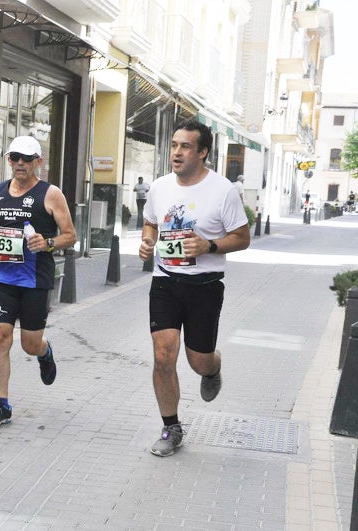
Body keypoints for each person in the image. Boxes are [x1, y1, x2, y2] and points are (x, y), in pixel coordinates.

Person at [138, 120, 250, 457]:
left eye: (185, 146)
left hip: (205, 286)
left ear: (202, 152)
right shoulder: (159, 187)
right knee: (163, 355)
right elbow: (151, 221)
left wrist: (209, 247)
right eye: (174, 145)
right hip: (166, 282)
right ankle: (171, 427)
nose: (176, 152)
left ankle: (212, 368)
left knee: (197, 361)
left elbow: (242, 237)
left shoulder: (223, 190)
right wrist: (147, 241)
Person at [0, 135, 77, 428]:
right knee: (0, 337)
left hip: (35, 279)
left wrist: (49, 243)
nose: (19, 163)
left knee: (29, 344)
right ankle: (1, 405)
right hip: (3, 277)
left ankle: (45, 350)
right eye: (14, 157)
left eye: (26, 159)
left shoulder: (50, 194)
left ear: (37, 163)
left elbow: (70, 235)